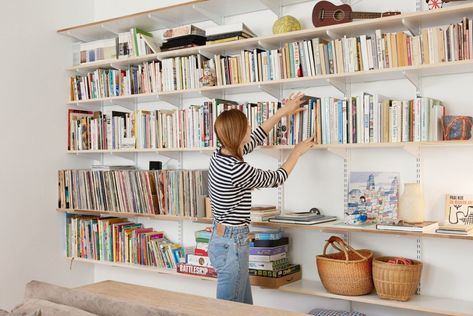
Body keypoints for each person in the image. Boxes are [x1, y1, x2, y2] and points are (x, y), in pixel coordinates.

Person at [207, 92, 314, 304]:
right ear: (238, 134)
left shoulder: (220, 155)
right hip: (233, 243)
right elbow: (276, 178)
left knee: (245, 307)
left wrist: (283, 112)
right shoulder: (236, 169)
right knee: (229, 310)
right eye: (246, 127)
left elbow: (255, 137)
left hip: (221, 239)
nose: (249, 130)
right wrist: (297, 152)